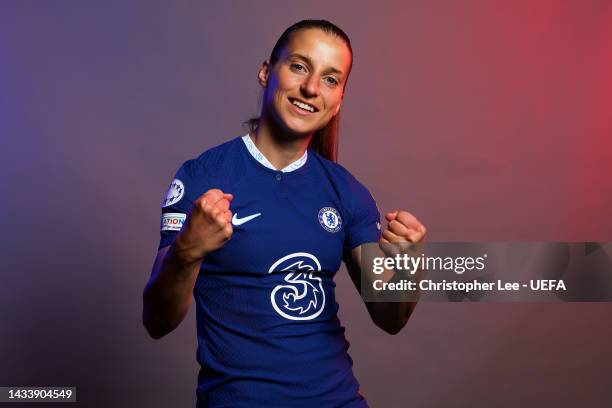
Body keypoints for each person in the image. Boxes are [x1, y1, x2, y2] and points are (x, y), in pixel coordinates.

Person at [142, 19, 426, 408]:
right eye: (299, 66)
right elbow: (157, 321)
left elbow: (390, 318)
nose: (311, 88)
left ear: (339, 99)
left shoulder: (346, 191)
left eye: (330, 79)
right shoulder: (202, 177)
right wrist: (187, 250)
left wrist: (409, 266)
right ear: (265, 72)